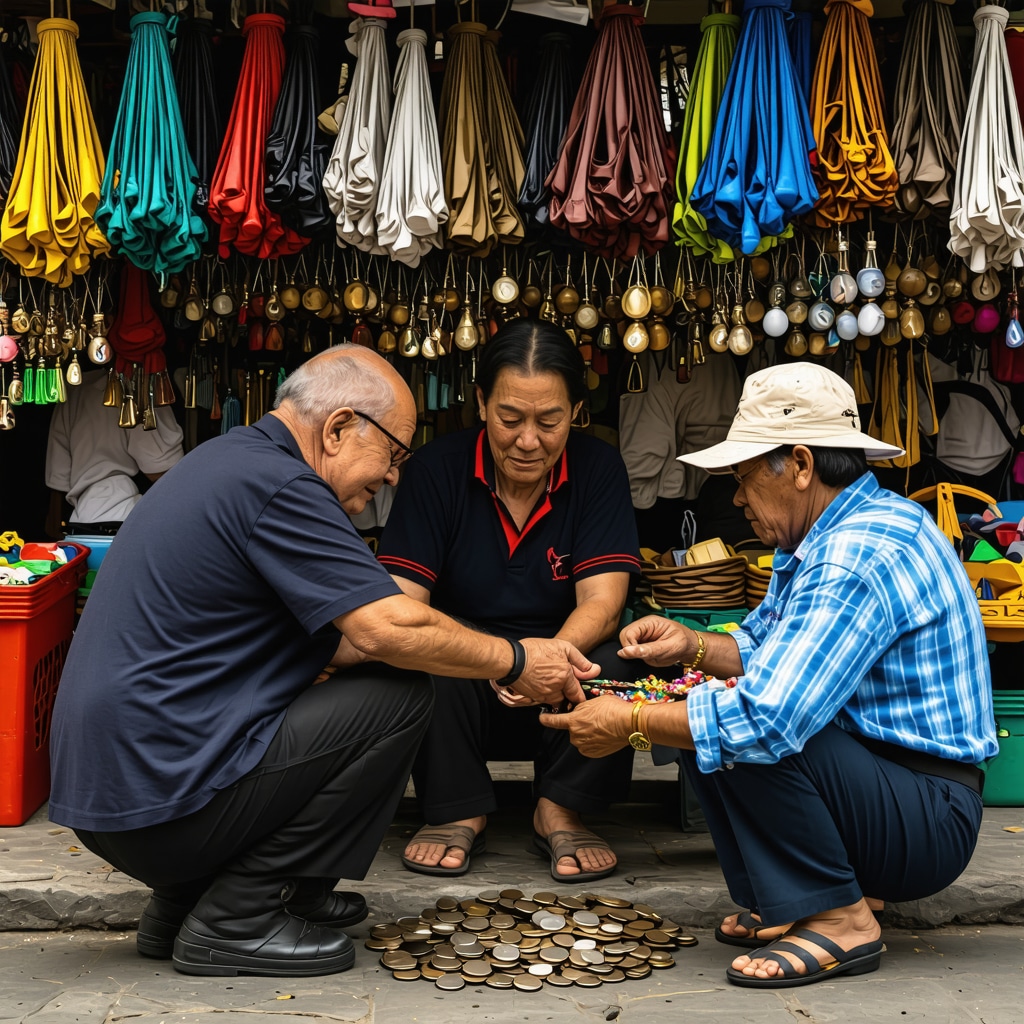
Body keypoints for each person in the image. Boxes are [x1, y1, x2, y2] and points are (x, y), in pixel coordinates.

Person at [48, 344, 598, 980]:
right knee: (401, 696)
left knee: (379, 673)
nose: (394, 476)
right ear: (337, 428)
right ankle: (237, 918)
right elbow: (385, 626)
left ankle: (196, 901)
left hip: (121, 801)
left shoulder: (231, 460)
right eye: (393, 453)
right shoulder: (282, 483)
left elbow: (346, 641)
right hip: (159, 805)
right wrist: (514, 658)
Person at [541, 362, 998, 989]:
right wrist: (691, 645)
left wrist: (633, 722)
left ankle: (842, 917)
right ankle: (813, 893)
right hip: (890, 792)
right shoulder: (822, 534)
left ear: (802, 466)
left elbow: (769, 715)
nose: (735, 498)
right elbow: (765, 647)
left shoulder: (854, 553)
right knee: (704, 700)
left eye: (744, 477)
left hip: (927, 817)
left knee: (738, 723)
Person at [377, 320, 646, 882]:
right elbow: (402, 605)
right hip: (463, 689)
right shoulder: (435, 471)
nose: (529, 440)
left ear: (574, 411)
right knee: (425, 651)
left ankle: (560, 808)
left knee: (623, 660)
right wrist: (504, 660)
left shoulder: (597, 469)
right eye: (510, 419)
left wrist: (547, 659)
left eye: (549, 421)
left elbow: (604, 601)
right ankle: (457, 808)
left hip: (564, 678)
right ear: (480, 403)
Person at [45, 367, 184, 536]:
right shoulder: (136, 384)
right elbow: (160, 468)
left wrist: (54, 532)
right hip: (123, 518)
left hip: (80, 521)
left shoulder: (72, 388)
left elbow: (58, 478)